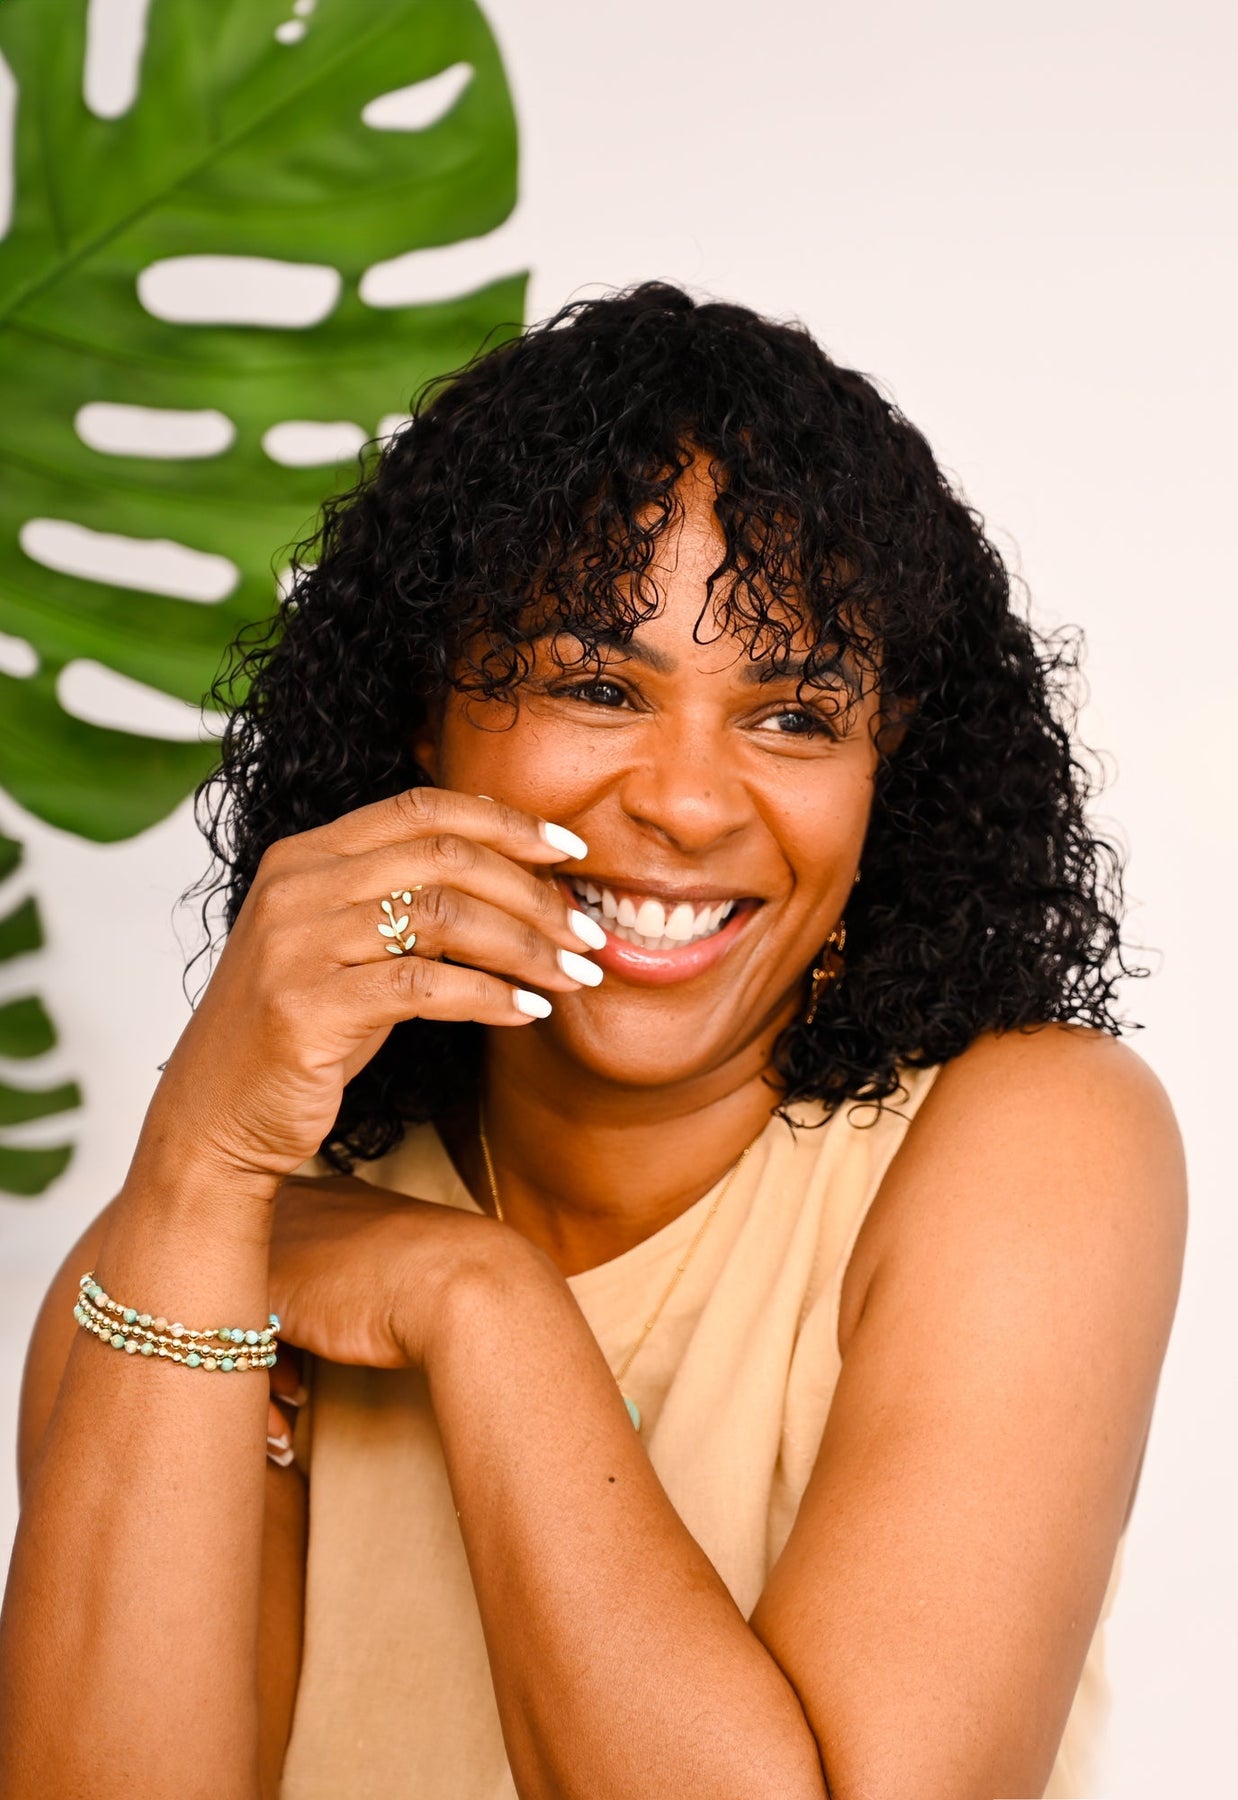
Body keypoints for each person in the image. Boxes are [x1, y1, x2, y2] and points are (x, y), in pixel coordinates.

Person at [0, 283, 1185, 1799]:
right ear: (422, 714)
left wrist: (478, 1302)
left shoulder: (1030, 1146)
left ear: (890, 773)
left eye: (794, 716)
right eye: (597, 685)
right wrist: (201, 1171)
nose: (686, 803)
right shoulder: (205, 1252)